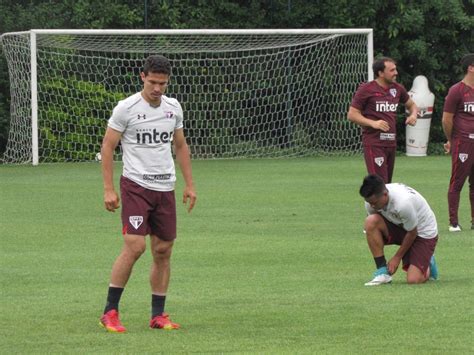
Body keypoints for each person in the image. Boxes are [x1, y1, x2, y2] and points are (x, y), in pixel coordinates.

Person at [99, 55, 197, 332]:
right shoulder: (126, 108)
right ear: (142, 77)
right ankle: (110, 312)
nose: (157, 88)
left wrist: (189, 184)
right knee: (135, 246)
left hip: (165, 188)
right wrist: (108, 189)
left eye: (162, 83)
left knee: (163, 251)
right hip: (136, 187)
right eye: (153, 82)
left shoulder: (173, 108)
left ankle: (158, 315)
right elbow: (107, 147)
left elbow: (180, 146)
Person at [348, 57, 418, 183]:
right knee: (379, 185)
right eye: (392, 70)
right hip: (374, 143)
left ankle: (380, 203)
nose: (396, 73)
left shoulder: (398, 89)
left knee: (387, 185)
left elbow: (412, 105)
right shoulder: (366, 89)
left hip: (391, 143)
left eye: (395, 69)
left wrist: (413, 115)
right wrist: (373, 123)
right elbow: (352, 114)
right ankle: (372, 203)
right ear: (380, 73)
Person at [359, 174, 438, 286]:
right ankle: (382, 272)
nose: (371, 206)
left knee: (413, 280)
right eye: (369, 202)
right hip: (402, 227)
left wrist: (396, 257)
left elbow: (412, 232)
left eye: (374, 203)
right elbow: (374, 226)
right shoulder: (371, 201)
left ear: (385, 194)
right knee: (370, 221)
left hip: (422, 233)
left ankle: (428, 261)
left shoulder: (403, 203)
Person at [442, 53, 474, 232]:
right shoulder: (457, 90)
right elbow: (447, 119)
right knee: (457, 182)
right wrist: (451, 139)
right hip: (463, 142)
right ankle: (453, 222)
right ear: (470, 67)